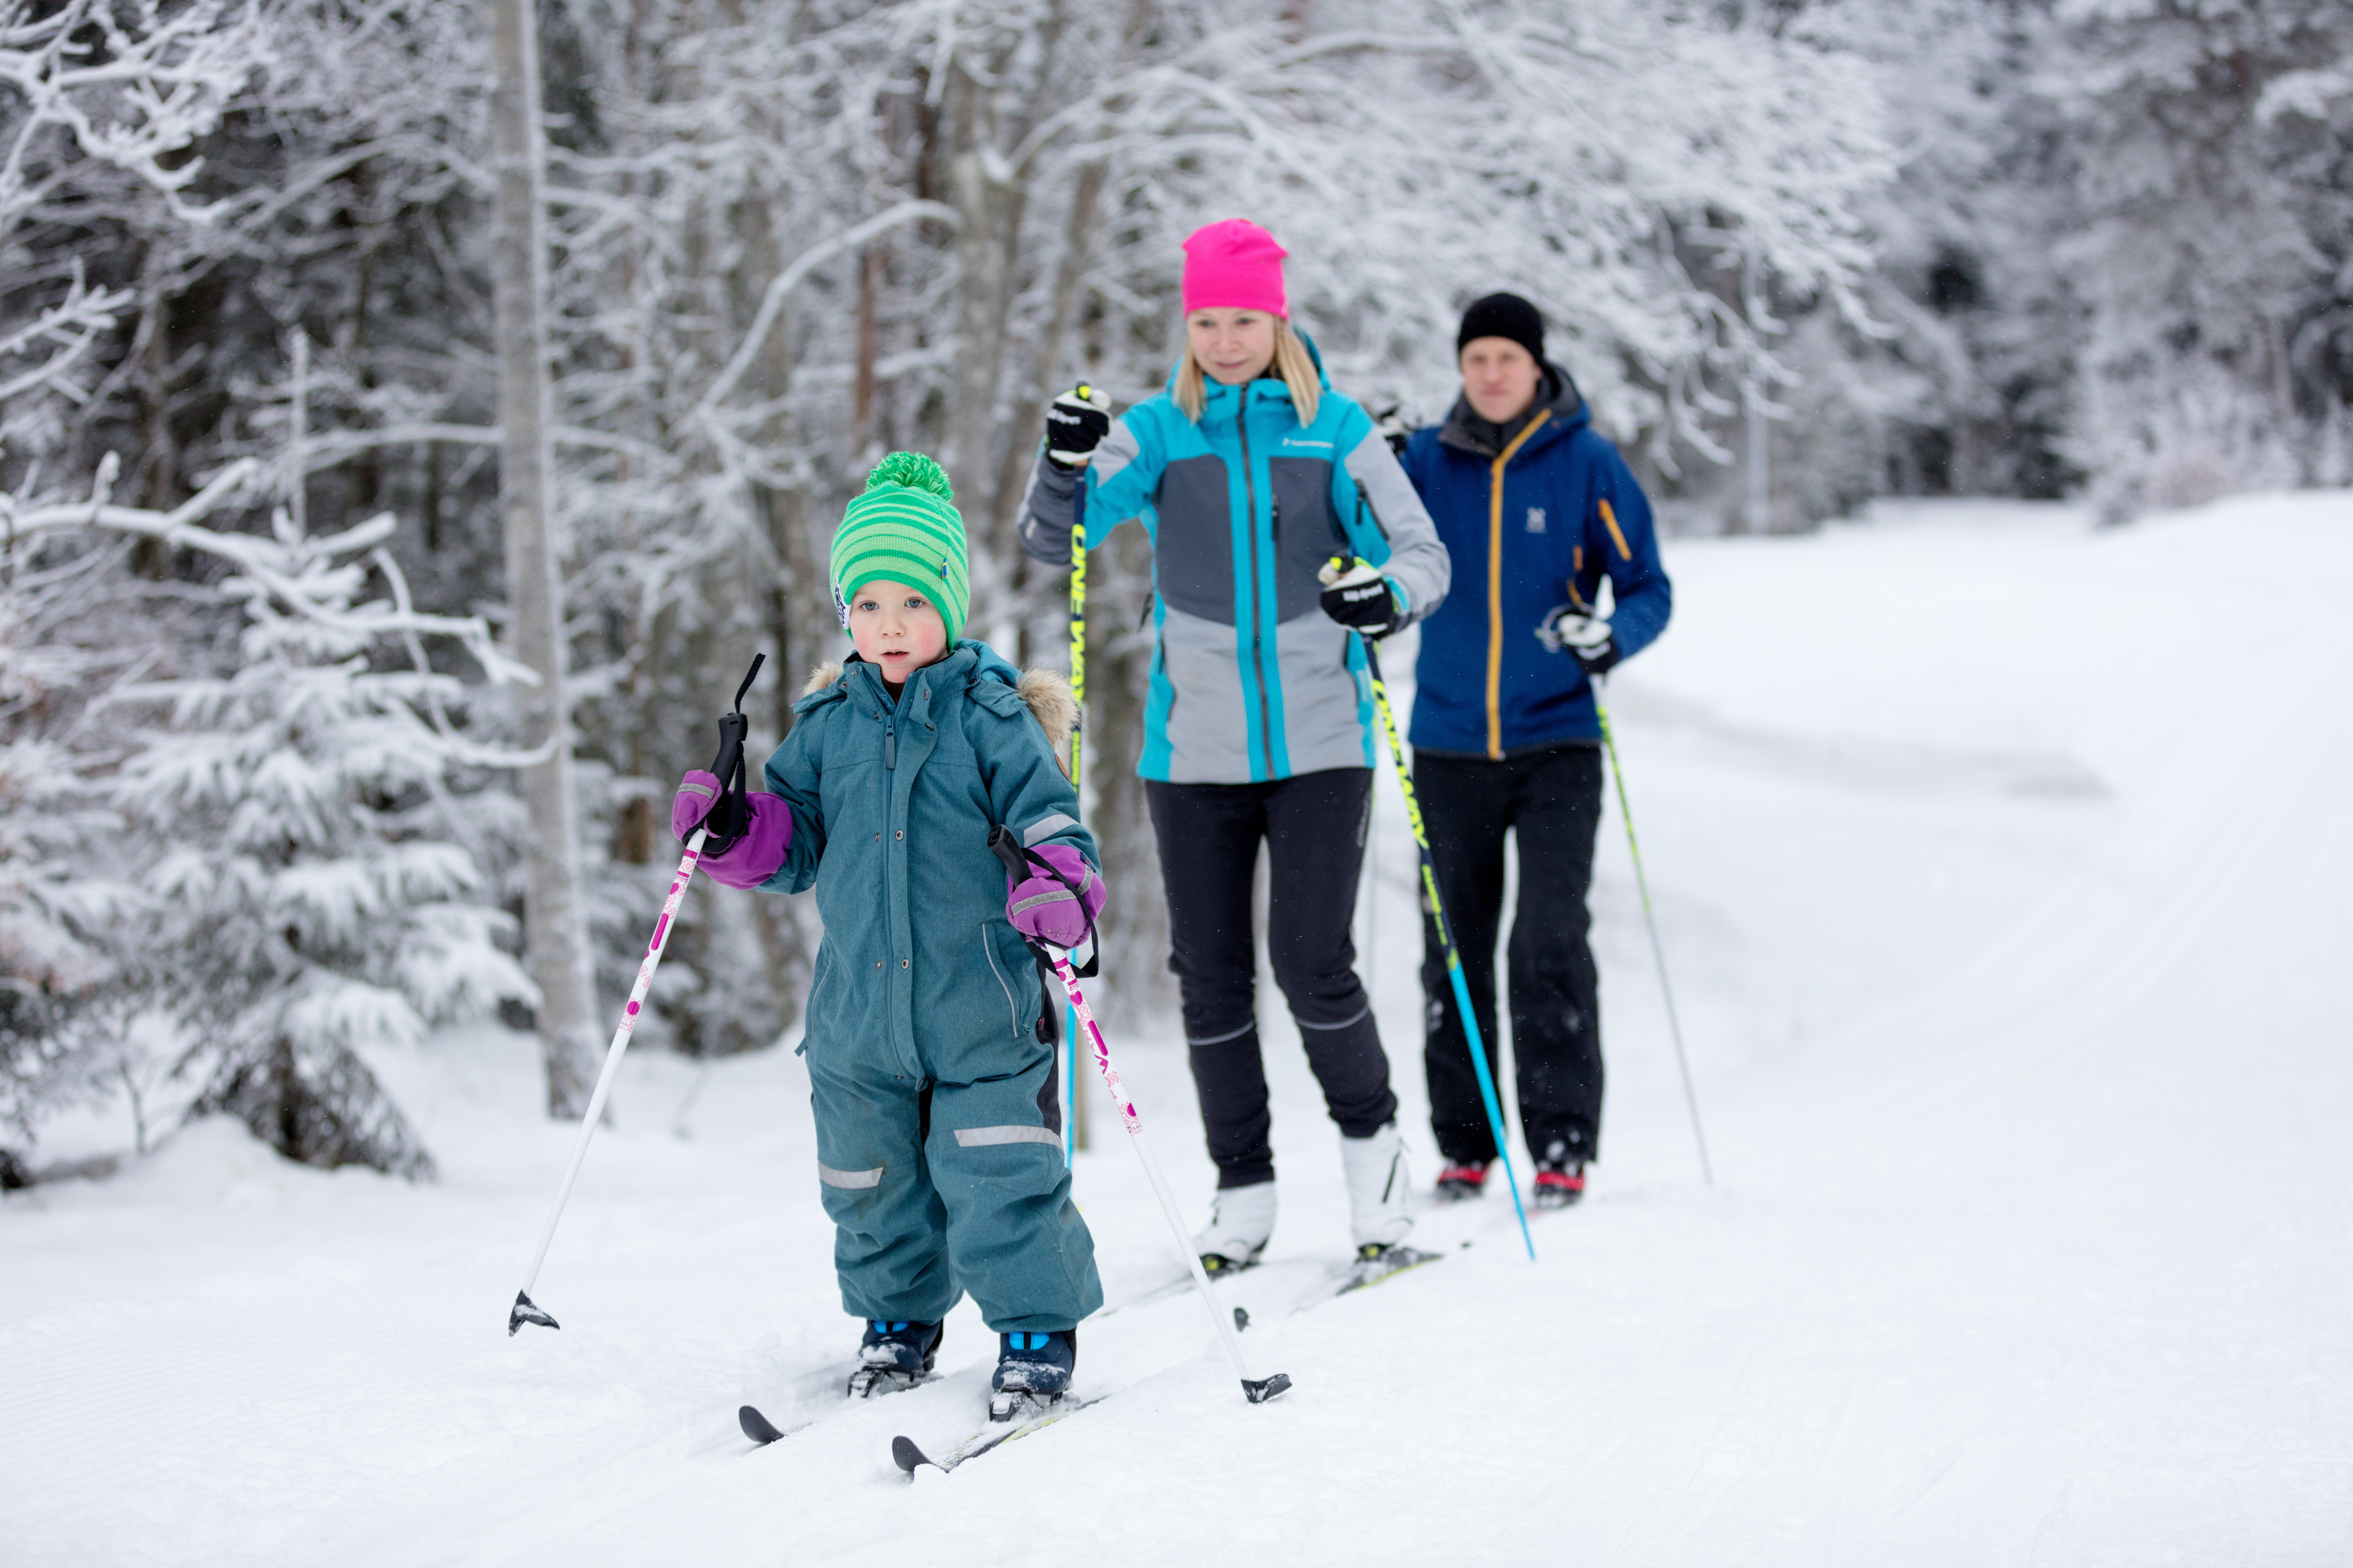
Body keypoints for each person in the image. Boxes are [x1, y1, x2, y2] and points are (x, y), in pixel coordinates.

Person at [1018, 218, 1451, 1275]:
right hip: (1192, 748)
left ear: (1277, 319)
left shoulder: (1335, 428)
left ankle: (1379, 1181)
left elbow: (1422, 553)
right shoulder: (1162, 430)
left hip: (1322, 736)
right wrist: (1061, 463)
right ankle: (1243, 1194)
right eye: (1205, 319)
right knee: (1208, 977)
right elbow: (1056, 536)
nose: (1223, 338)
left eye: (1242, 319)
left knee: (1312, 962)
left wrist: (1378, 596)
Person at [671, 452, 1109, 1413]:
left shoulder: (995, 717)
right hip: (860, 1014)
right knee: (869, 1180)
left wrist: (1060, 886)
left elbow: (1050, 825)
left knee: (998, 1167)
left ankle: (1036, 1326)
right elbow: (793, 843)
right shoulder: (827, 723)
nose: (889, 624)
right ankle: (898, 1321)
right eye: (866, 604)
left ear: (948, 602)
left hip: (979, 1004)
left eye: (911, 600)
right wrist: (732, 827)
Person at [1396, 292, 1672, 1208]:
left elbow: (1646, 586)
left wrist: (1611, 636)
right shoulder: (1427, 460)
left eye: (1507, 357)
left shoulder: (1587, 461)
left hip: (1557, 740)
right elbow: (1367, 540)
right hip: (1444, 744)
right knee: (1453, 949)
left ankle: (1560, 1142)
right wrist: (1374, 462)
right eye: (1476, 358)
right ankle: (1466, 1146)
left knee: (1548, 940)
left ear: (1538, 365)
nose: (1492, 373)